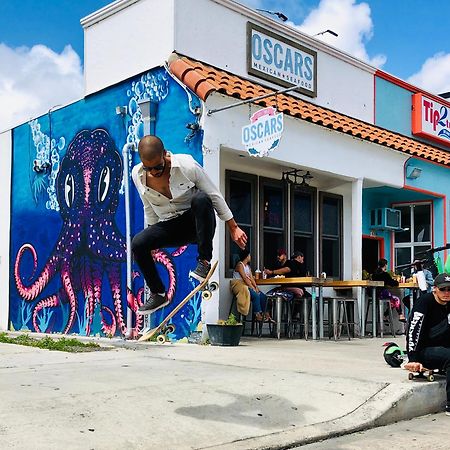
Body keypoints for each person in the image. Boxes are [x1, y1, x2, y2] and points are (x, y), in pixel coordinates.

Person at [131, 135, 247, 315]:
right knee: (138, 243)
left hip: (196, 222)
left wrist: (233, 227)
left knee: (201, 198)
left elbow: (214, 195)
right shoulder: (137, 175)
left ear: (165, 154)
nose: (154, 172)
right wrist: (151, 240)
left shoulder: (187, 166)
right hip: (168, 225)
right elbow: (148, 207)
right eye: (149, 168)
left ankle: (204, 262)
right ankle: (158, 293)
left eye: (158, 167)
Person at [405, 273, 450, 415]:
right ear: (434, 289)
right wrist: (413, 359)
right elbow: (413, 331)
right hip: (425, 351)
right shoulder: (424, 303)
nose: (447, 293)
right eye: (443, 289)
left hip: (444, 347)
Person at [233, 249, 272, 322]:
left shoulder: (247, 266)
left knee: (262, 296)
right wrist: (252, 287)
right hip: (240, 286)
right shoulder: (240, 265)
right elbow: (244, 278)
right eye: (249, 255)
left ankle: (266, 315)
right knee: (255, 295)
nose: (250, 257)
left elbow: (251, 278)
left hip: (247, 285)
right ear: (247, 256)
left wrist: (256, 287)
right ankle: (257, 315)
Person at [372, 258, 406, 322]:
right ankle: (400, 315)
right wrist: (397, 281)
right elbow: (393, 283)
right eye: (386, 265)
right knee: (396, 299)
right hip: (381, 293)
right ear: (385, 265)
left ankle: (386, 316)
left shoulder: (374, 274)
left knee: (393, 302)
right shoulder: (385, 274)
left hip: (374, 294)